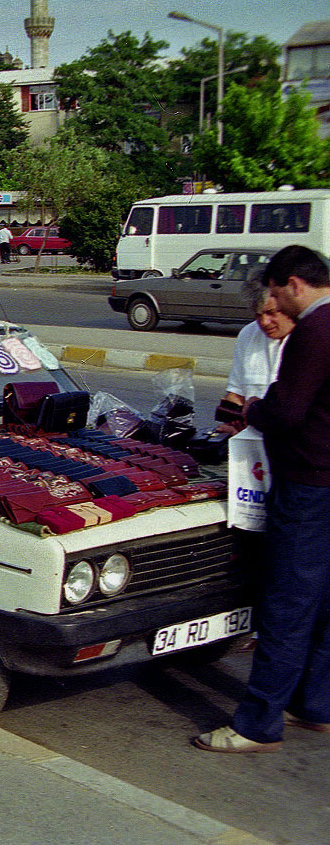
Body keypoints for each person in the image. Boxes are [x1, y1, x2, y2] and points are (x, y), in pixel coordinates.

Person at [194, 245, 330, 754]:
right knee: (324, 603)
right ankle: (314, 705)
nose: (273, 307)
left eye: (274, 294)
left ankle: (257, 724)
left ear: (293, 283)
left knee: (288, 605)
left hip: (308, 485)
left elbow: (288, 412)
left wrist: (255, 408)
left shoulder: (314, 331)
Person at [217, 273, 297, 431]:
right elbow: (236, 395)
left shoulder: (313, 338)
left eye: (271, 313)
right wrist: (232, 421)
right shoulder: (249, 334)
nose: (264, 322)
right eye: (258, 314)